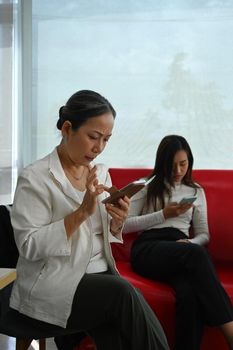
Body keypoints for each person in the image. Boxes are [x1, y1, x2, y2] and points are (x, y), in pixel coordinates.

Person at [9, 90, 170, 350]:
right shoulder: (35, 177)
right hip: (56, 282)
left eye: (106, 139)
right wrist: (81, 212)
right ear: (67, 128)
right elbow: (29, 246)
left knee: (117, 334)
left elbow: (101, 233)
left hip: (99, 278)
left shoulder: (100, 173)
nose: (99, 147)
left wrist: (117, 222)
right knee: (122, 293)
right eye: (93, 137)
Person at [123, 135, 233, 350]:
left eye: (183, 164)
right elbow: (124, 225)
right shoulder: (148, 187)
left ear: (189, 162)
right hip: (149, 248)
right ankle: (230, 331)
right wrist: (164, 214)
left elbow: (204, 235)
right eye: (172, 165)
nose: (178, 171)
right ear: (161, 163)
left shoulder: (195, 191)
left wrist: (190, 242)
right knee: (196, 254)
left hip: (179, 249)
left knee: (189, 294)